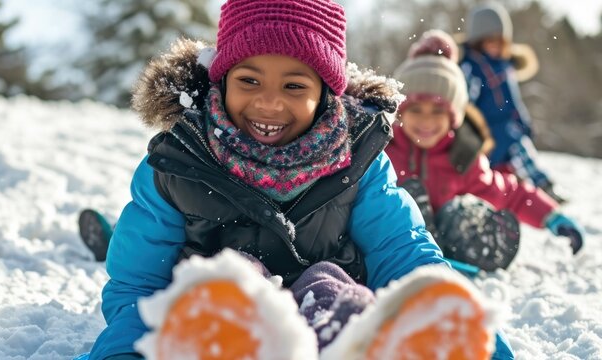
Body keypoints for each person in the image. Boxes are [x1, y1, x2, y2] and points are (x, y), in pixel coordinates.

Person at [84, 1, 513, 359]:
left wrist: (471, 335)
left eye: (294, 86)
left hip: (328, 304)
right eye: (249, 80)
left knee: (327, 279)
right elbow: (139, 284)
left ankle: (351, 344)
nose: (269, 101)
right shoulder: (179, 164)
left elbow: (403, 254)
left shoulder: (358, 161)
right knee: (231, 278)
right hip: (218, 321)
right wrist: (125, 351)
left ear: (326, 92)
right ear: (222, 79)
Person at [387, 30, 584, 273]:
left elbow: (510, 193)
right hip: (396, 244)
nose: (426, 120)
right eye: (416, 109)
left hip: (444, 238)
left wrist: (552, 217)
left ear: (454, 117)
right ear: (399, 113)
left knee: (461, 210)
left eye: (437, 111)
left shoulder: (462, 158)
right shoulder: (384, 151)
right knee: (405, 195)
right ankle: (419, 253)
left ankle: (476, 246)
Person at [458, 3, 565, 203]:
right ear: (477, 41)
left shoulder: (504, 67)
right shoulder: (472, 67)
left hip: (506, 127)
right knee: (510, 148)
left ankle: (536, 190)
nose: (495, 46)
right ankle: (535, 187)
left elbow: (513, 99)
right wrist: (467, 131)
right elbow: (466, 103)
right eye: (489, 41)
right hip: (485, 132)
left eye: (500, 41)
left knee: (518, 148)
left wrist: (522, 121)